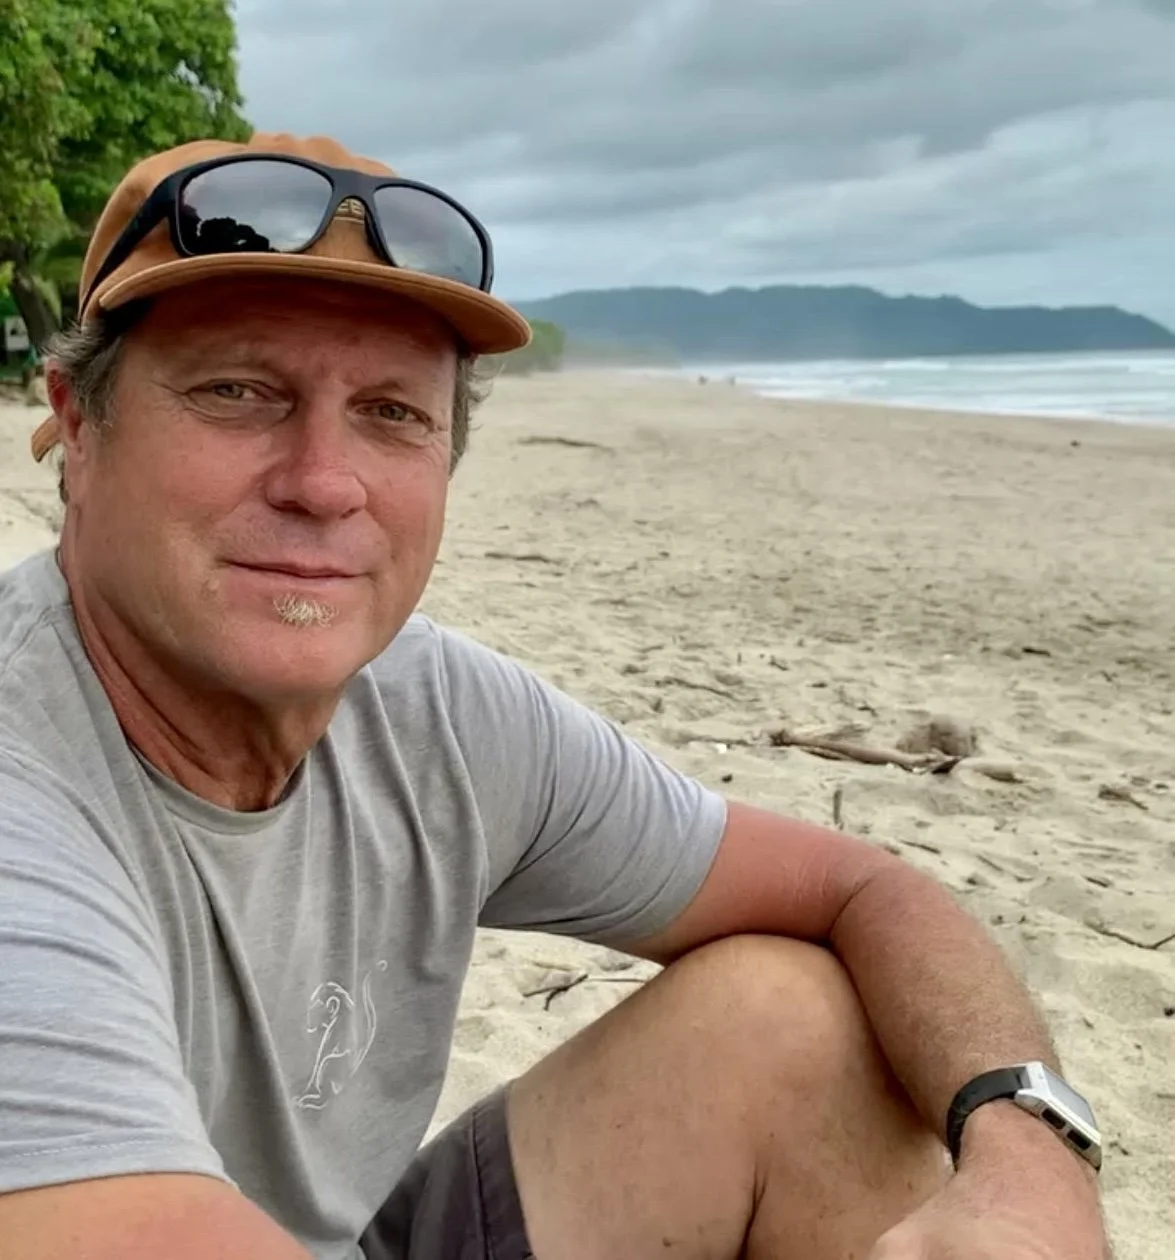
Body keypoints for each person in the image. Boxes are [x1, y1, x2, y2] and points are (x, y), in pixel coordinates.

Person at [0, 133, 1109, 1260]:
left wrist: (1032, 1154)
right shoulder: (25, 774)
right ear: (79, 423)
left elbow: (859, 888)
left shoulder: (437, 716)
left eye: (391, 412)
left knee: (794, 1016)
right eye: (237, 392)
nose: (324, 483)